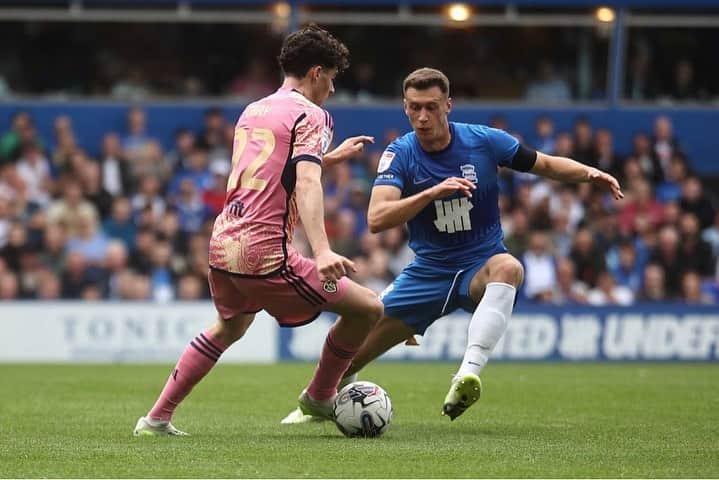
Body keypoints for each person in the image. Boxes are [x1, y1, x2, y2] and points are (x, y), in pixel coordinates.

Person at [283, 67, 623, 424]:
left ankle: (467, 374)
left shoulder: (486, 141)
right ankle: (318, 405)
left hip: (480, 263)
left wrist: (590, 173)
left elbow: (545, 164)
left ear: (449, 105)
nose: (422, 116)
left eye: (431, 107)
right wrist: (432, 192)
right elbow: (377, 218)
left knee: (509, 268)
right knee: (351, 352)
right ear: (404, 107)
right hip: (427, 272)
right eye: (414, 108)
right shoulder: (400, 154)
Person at [134, 24, 382, 436]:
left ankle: (156, 418)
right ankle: (320, 395)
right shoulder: (312, 114)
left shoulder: (255, 109)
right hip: (264, 251)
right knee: (368, 308)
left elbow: (269, 172)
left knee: (230, 327)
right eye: (333, 79)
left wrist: (329, 159)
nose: (333, 90)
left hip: (223, 241)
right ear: (317, 73)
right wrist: (321, 251)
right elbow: (304, 182)